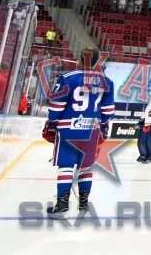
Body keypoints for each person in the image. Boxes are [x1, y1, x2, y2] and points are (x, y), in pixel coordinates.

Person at [43, 53, 116, 214]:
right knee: (86, 168)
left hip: (69, 128)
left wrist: (52, 122)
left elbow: (56, 106)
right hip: (92, 130)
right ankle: (83, 204)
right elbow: (108, 111)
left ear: (79, 61)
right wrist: (102, 124)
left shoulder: (67, 77)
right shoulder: (107, 82)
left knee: (66, 167)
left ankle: (62, 204)